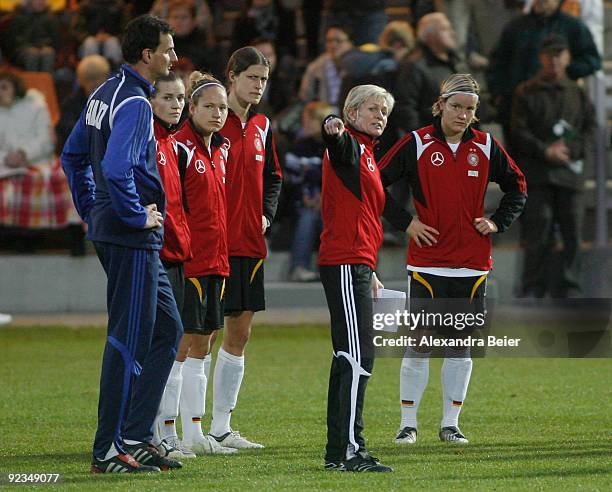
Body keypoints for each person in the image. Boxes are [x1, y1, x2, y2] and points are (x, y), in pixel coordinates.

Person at [61, 14, 184, 473]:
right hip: (132, 236)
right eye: (168, 50)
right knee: (128, 340)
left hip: (116, 228)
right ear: (148, 55)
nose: (173, 57)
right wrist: (134, 215)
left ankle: (135, 434)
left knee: (167, 328)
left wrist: (90, 209)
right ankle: (107, 450)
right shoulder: (133, 101)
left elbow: (72, 155)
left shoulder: (102, 93)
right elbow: (115, 169)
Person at [379, 74, 527, 445]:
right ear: (440, 105)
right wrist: (405, 223)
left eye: (470, 109)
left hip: (473, 262)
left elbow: (518, 187)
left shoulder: (487, 145)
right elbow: (374, 182)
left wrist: (496, 221)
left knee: (461, 343)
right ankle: (408, 423)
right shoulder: (416, 142)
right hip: (427, 262)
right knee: (420, 340)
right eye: (457, 106)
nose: (463, 115)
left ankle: (451, 424)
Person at [156, 71, 237, 456]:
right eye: (209, 106)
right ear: (192, 108)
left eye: (222, 107)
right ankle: (164, 432)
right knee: (180, 346)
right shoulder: (179, 147)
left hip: (217, 262)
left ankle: (194, 433)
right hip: (189, 261)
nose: (218, 113)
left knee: (203, 345)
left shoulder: (221, 149)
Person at [319, 84, 394, 473]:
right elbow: (336, 143)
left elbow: (362, 215)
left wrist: (371, 269)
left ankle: (339, 452)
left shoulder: (367, 154)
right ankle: (349, 450)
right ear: (351, 112)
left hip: (357, 262)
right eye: (372, 108)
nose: (380, 115)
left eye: (384, 111)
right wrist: (332, 127)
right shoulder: (350, 147)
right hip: (345, 261)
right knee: (355, 356)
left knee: (353, 356)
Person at [212, 46, 282, 449]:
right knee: (197, 336)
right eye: (252, 77)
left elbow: (273, 176)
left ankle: (222, 426)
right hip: (210, 246)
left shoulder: (262, 126)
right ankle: (183, 428)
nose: (258, 86)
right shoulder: (210, 120)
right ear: (232, 75)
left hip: (249, 245)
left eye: (263, 79)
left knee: (240, 334)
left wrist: (266, 215)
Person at [511, 35, 594, 298]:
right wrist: (545, 150)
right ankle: (534, 285)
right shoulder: (526, 91)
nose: (555, 60)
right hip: (538, 173)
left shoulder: (577, 92)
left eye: (560, 54)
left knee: (572, 229)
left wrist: (572, 150)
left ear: (568, 58)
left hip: (569, 173)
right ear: (541, 59)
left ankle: (570, 285)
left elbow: (589, 129)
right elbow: (518, 131)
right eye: (550, 55)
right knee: (539, 227)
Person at [148, 71, 197, 460]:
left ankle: (155, 431)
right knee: (160, 340)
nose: (176, 104)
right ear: (151, 101)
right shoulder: (149, 139)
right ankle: (148, 432)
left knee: (168, 340)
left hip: (176, 251)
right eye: (168, 97)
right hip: (156, 253)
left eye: (180, 98)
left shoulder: (169, 142)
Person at [486, 0, 601, 143]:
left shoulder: (572, 26)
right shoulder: (516, 27)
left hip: (559, 105)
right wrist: (499, 94)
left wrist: (563, 71)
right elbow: (497, 63)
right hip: (519, 106)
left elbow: (592, 60)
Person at [285, 101, 332, 282]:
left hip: (332, 203)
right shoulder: (299, 146)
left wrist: (313, 175)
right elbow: (293, 175)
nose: (306, 124)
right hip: (303, 203)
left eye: (311, 121)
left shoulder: (335, 146)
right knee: (308, 216)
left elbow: (334, 176)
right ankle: (299, 267)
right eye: (305, 120)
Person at [298, 25, 353, 110]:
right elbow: (305, 98)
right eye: (329, 41)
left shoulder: (358, 68)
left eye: (338, 41)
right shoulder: (315, 68)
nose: (333, 45)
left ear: (350, 44)